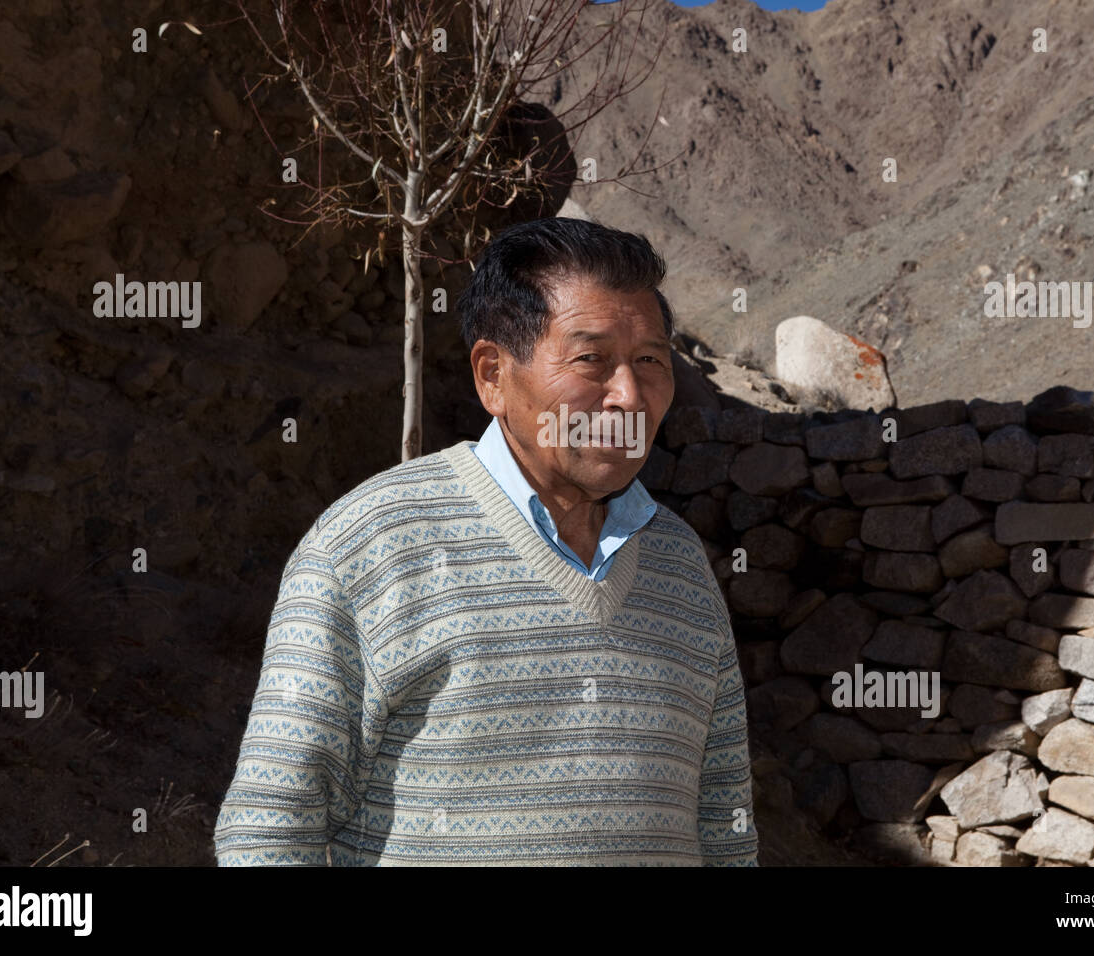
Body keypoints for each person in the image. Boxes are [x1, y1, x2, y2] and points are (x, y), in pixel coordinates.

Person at [213, 216, 757, 865]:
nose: (629, 397)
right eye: (591, 360)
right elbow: (270, 828)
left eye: (649, 361)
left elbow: (725, 821)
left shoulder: (677, 562)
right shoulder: (374, 544)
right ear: (493, 375)